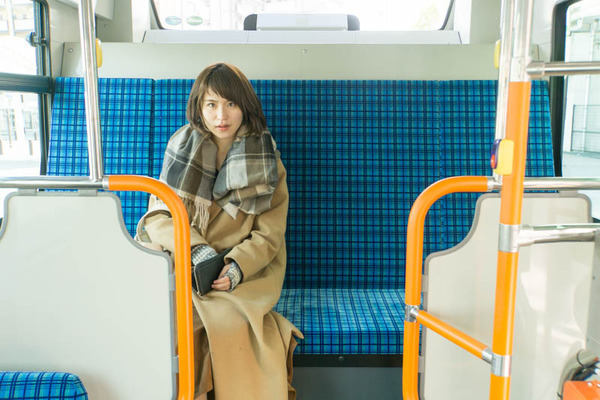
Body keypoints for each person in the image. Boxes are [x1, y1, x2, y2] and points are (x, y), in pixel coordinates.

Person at [136, 63, 302, 400]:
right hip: (183, 262)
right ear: (199, 107)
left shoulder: (267, 161)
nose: (221, 116)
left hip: (243, 272)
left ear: (245, 107)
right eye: (211, 104)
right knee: (169, 320)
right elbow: (159, 216)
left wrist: (236, 267)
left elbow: (269, 234)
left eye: (231, 104)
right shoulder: (181, 148)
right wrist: (195, 250)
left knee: (209, 322)